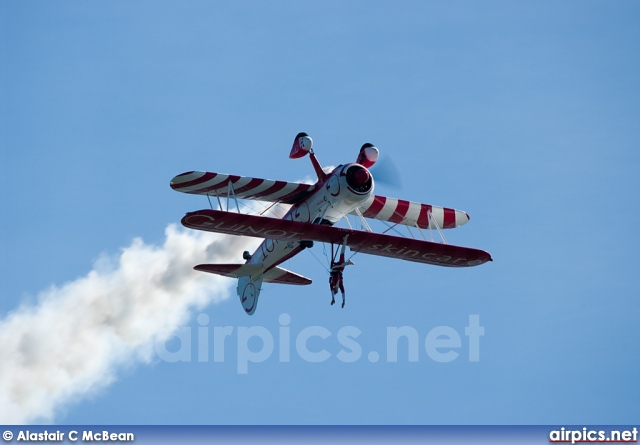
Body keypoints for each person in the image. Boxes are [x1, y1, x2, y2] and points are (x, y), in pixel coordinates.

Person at [329, 236, 354, 308]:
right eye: (336, 291)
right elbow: (343, 292)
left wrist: (333, 298)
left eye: (335, 290)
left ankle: (348, 263)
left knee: (342, 264)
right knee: (342, 253)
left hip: (334, 268)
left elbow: (331, 292)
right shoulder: (340, 285)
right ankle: (345, 240)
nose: (336, 290)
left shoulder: (332, 284)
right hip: (340, 269)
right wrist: (343, 301)